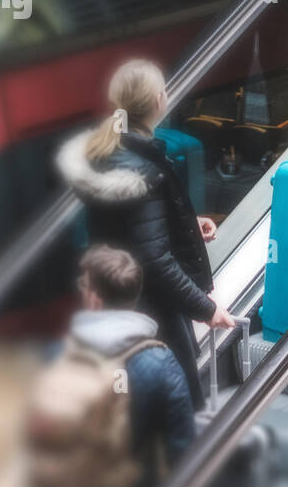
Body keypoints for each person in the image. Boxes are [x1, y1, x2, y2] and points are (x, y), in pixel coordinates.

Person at [0, 245, 196, 487]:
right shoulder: (160, 361)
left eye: (84, 285)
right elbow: (182, 447)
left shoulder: (57, 351)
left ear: (95, 299)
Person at [56, 59, 234, 409]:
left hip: (116, 302)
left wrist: (184, 223)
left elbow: (128, 226)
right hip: (153, 317)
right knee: (175, 410)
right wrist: (206, 308)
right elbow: (153, 258)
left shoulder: (107, 153)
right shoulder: (143, 169)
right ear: (158, 101)